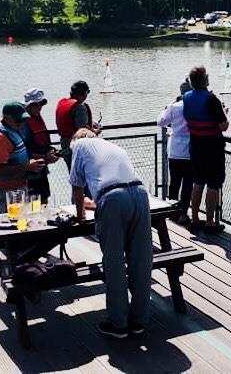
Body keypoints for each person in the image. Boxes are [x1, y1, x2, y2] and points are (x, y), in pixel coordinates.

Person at [69, 128, 152, 339]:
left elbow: (77, 189)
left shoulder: (78, 146)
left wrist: (79, 217)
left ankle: (118, 324)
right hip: (140, 195)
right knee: (141, 260)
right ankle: (139, 320)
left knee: (114, 263)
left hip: (113, 200)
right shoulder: (111, 146)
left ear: (76, 141)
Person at [182, 66, 229, 232]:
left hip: (195, 146)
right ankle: (210, 222)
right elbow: (223, 126)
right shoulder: (211, 99)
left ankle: (194, 219)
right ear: (205, 80)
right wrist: (224, 111)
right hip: (213, 148)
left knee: (198, 182)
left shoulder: (186, 97)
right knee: (214, 185)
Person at [0, 102, 45, 212]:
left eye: (24, 120)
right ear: (6, 118)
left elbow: (16, 156)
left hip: (18, 187)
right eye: (18, 120)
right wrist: (26, 166)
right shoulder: (0, 138)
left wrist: (36, 161)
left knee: (23, 221)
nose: (22, 123)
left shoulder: (12, 130)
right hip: (7, 190)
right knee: (12, 223)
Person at [157, 80, 193, 225]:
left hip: (175, 150)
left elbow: (160, 121)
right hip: (191, 150)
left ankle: (172, 211)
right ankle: (183, 212)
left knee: (174, 182)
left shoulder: (174, 107)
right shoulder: (195, 107)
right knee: (188, 184)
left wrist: (170, 104)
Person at [20, 88, 59, 205]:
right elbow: (23, 150)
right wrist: (44, 157)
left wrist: (51, 151)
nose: (39, 107)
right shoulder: (23, 123)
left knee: (44, 201)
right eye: (36, 104)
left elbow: (41, 141)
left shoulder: (37, 118)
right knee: (33, 204)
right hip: (30, 173)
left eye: (41, 104)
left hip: (41, 170)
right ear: (28, 105)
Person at [56, 80, 100, 170]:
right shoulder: (79, 107)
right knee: (84, 179)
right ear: (84, 93)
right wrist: (94, 131)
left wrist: (91, 123)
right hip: (77, 149)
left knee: (74, 177)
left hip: (65, 146)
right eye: (88, 92)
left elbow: (70, 121)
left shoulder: (62, 102)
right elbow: (83, 130)